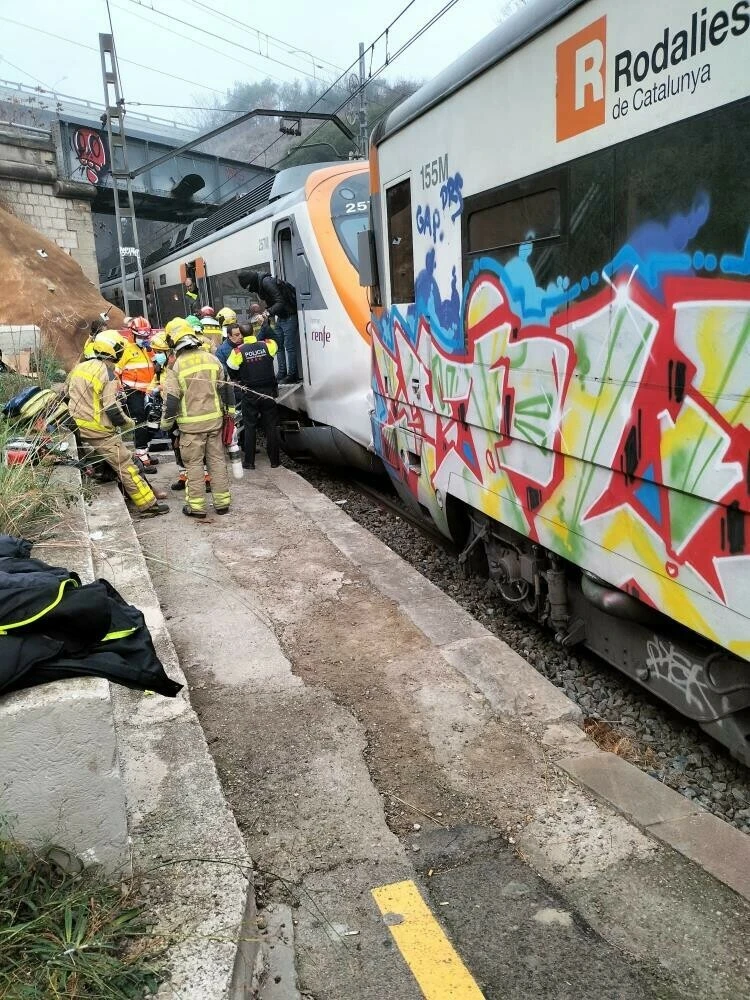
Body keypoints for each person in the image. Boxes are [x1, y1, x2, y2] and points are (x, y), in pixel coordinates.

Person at [67, 334, 168, 517]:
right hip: (98, 429)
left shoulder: (79, 368)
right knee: (127, 464)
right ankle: (148, 505)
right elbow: (111, 407)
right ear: (114, 351)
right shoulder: (108, 371)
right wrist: (128, 423)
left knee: (110, 462)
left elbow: (66, 394)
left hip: (77, 425)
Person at [160, 319, 235, 518]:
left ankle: (197, 507)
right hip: (214, 423)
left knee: (193, 466)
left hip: (191, 428)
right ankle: (222, 504)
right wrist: (231, 412)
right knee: (217, 462)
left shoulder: (176, 367)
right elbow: (227, 388)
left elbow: (173, 400)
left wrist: (166, 424)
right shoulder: (212, 359)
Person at [227, 317, 280, 470]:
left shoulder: (237, 351)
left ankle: (249, 462)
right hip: (268, 392)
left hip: (250, 393)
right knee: (271, 426)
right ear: (253, 332)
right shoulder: (268, 345)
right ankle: (275, 461)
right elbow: (277, 343)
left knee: (250, 427)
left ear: (242, 335)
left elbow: (232, 368)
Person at [237, 269, 300, 383]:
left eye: (249, 287)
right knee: (279, 345)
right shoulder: (261, 284)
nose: (250, 290)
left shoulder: (266, 282)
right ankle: (282, 373)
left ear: (251, 282)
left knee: (289, 346)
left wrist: (266, 313)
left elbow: (280, 301)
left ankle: (292, 375)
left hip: (289, 315)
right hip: (281, 316)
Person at [116, 317, 158, 470]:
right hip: (133, 392)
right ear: (133, 335)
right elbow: (116, 371)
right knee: (140, 422)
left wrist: (150, 351)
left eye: (145, 336)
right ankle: (141, 455)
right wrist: (120, 390)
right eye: (140, 337)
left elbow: (155, 365)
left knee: (152, 422)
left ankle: (143, 451)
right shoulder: (126, 350)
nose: (143, 339)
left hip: (149, 392)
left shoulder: (148, 348)